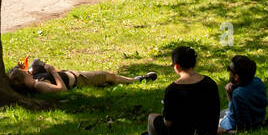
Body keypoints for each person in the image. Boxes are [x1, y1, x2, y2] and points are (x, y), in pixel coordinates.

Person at [147, 46, 220, 135]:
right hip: (207, 132)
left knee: (152, 117)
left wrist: (165, 110)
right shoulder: (210, 83)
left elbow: (168, 122)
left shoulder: (173, 89)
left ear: (176, 66)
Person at [8, 60, 157, 94]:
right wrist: (53, 72)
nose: (28, 72)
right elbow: (62, 89)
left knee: (36, 62)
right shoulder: (38, 85)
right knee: (107, 75)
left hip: (71, 73)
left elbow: (17, 72)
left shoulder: (32, 79)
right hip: (78, 79)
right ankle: (137, 79)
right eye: (25, 73)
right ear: (23, 81)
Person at [218, 55, 268, 134]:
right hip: (258, 119)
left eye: (229, 70)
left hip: (231, 125)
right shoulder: (258, 82)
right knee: (221, 112)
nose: (229, 72)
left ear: (236, 77)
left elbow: (243, 128)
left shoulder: (239, 94)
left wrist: (224, 131)